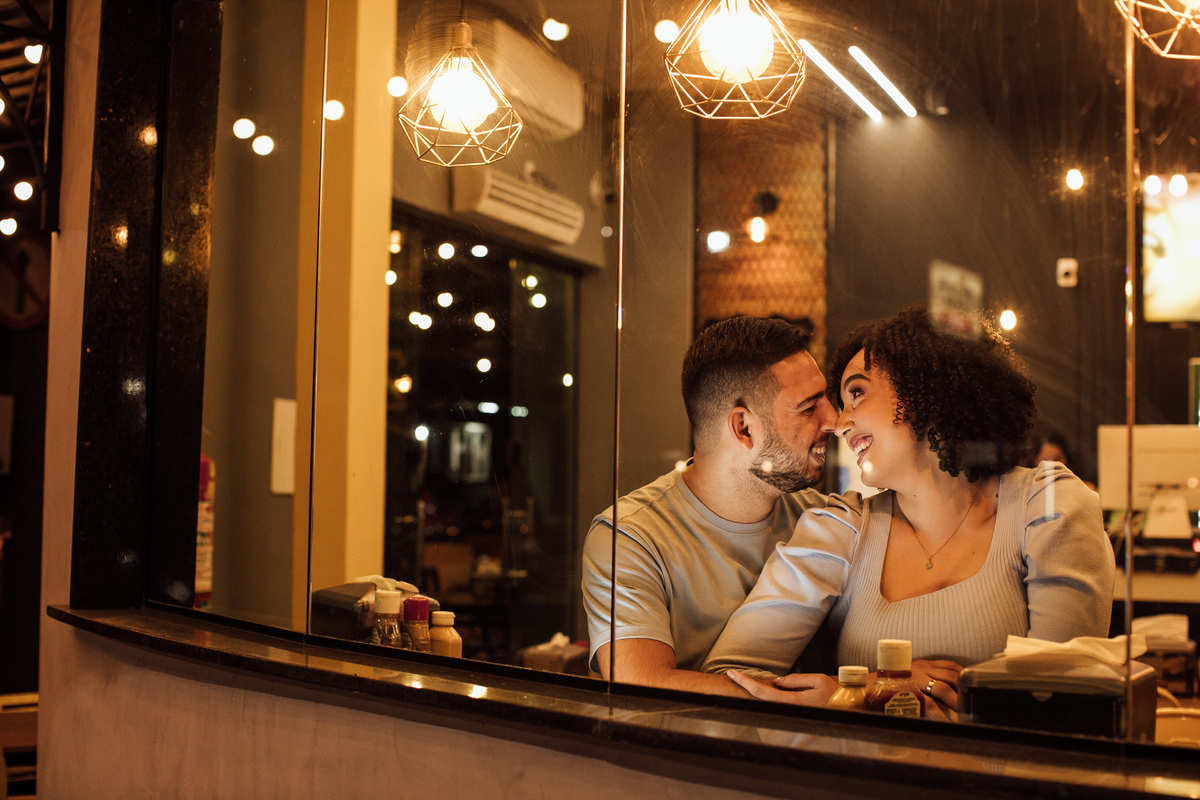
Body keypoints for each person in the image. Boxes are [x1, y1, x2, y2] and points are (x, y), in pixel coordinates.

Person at [703, 307, 1116, 713]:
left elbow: (1064, 706)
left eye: (857, 394)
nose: (839, 424)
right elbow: (729, 675)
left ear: (928, 391)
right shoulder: (840, 530)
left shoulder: (1046, 507)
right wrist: (869, 690)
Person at [580, 316, 841, 698]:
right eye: (808, 407)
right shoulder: (631, 538)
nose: (834, 420)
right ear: (743, 428)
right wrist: (834, 696)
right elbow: (642, 688)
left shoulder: (825, 522)